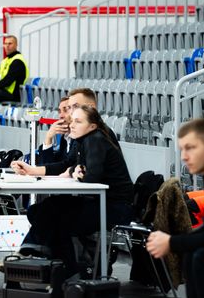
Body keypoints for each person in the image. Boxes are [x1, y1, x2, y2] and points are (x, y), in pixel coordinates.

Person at [15, 105, 133, 277]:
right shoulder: (82, 140)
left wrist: (74, 172)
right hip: (97, 201)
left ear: (92, 126)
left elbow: (92, 177)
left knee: (54, 218)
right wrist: (32, 170)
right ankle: (58, 264)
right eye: (73, 121)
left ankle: (61, 266)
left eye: (78, 121)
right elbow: (66, 166)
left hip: (115, 207)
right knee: (39, 210)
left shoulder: (96, 140)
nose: (72, 125)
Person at [147, 118, 204, 298]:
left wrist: (171, 242)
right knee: (193, 251)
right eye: (182, 149)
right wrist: (177, 241)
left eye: (190, 148)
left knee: (202, 257)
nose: (184, 157)